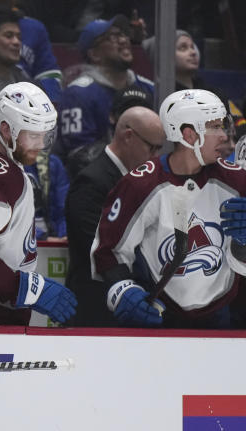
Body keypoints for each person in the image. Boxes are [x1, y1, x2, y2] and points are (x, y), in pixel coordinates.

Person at [93, 89, 246, 329]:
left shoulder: (238, 181)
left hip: (224, 316)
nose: (225, 136)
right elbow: (108, 250)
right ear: (189, 135)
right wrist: (122, 289)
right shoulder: (140, 184)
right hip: (160, 316)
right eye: (215, 127)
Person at [0, 81, 77, 325]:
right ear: (6, 130)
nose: (40, 145)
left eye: (45, 136)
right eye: (33, 135)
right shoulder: (1, 175)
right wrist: (25, 287)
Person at [65, 105, 163, 327]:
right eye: (152, 148)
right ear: (129, 136)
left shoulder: (142, 180)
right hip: (95, 310)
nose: (156, 157)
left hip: (129, 305)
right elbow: (96, 248)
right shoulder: (91, 181)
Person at [55, 16, 153, 168]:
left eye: (122, 34)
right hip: (99, 185)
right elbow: (80, 155)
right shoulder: (78, 94)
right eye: (111, 37)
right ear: (94, 54)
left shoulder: (148, 87)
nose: (122, 40)